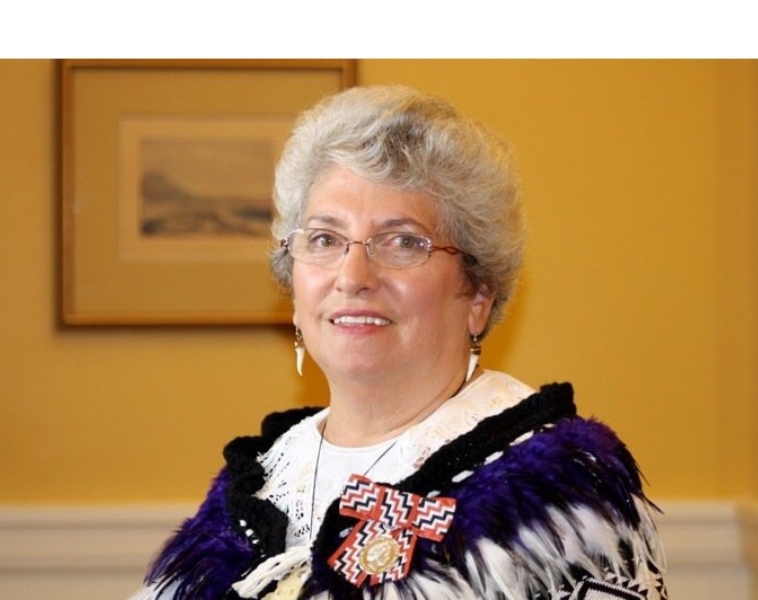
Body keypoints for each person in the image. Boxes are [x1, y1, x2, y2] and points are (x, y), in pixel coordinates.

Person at [132, 85, 668, 600]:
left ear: (477, 292)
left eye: (403, 241)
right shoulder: (257, 484)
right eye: (324, 239)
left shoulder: (554, 494)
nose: (353, 275)